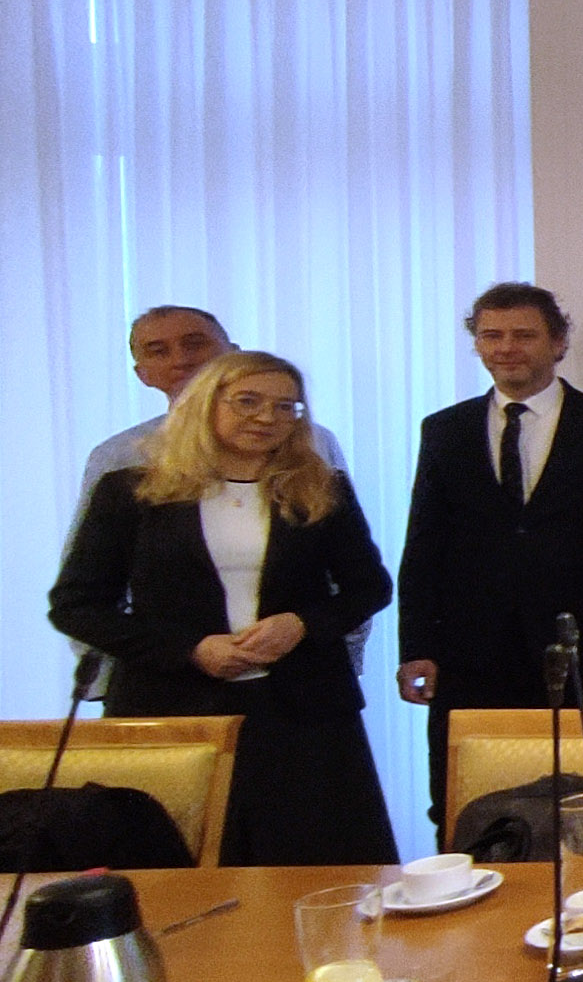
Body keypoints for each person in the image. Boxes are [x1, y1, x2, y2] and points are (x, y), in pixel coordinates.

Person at [51, 351, 396, 865]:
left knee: (316, 867)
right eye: (247, 402)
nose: (266, 417)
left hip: (304, 713)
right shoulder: (130, 492)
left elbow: (369, 588)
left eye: (285, 406)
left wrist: (301, 624)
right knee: (180, 867)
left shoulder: (321, 488)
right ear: (206, 404)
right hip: (173, 705)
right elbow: (77, 605)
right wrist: (190, 649)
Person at [395, 283, 583, 830]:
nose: (507, 347)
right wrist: (416, 646)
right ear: (478, 345)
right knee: (464, 804)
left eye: (524, 335)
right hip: (469, 653)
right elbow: (424, 544)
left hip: (576, 647)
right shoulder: (444, 429)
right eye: (492, 336)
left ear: (558, 343)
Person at [66, 305, 357, 691]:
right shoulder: (121, 457)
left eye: (194, 343)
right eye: (158, 351)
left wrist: (335, 648)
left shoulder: (309, 442)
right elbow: (91, 587)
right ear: (142, 374)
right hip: (167, 684)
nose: (180, 359)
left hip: (303, 685)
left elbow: (346, 576)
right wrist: (107, 676)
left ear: (233, 352)